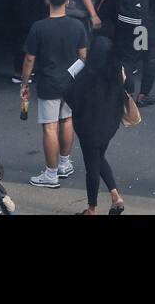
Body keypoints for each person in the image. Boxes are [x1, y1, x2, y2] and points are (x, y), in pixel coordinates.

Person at [21, 0, 89, 188]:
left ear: (47, 1)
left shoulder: (39, 27)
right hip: (70, 84)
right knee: (66, 121)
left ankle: (50, 175)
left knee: (49, 128)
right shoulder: (77, 26)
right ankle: (64, 163)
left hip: (48, 83)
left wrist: (25, 83)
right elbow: (84, 56)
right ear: (67, 2)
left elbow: (29, 59)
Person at [63, 36, 130, 214]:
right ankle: (115, 196)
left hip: (88, 127)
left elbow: (70, 96)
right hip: (109, 125)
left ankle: (92, 208)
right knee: (99, 157)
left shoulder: (86, 75)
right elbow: (129, 89)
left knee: (92, 166)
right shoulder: (116, 71)